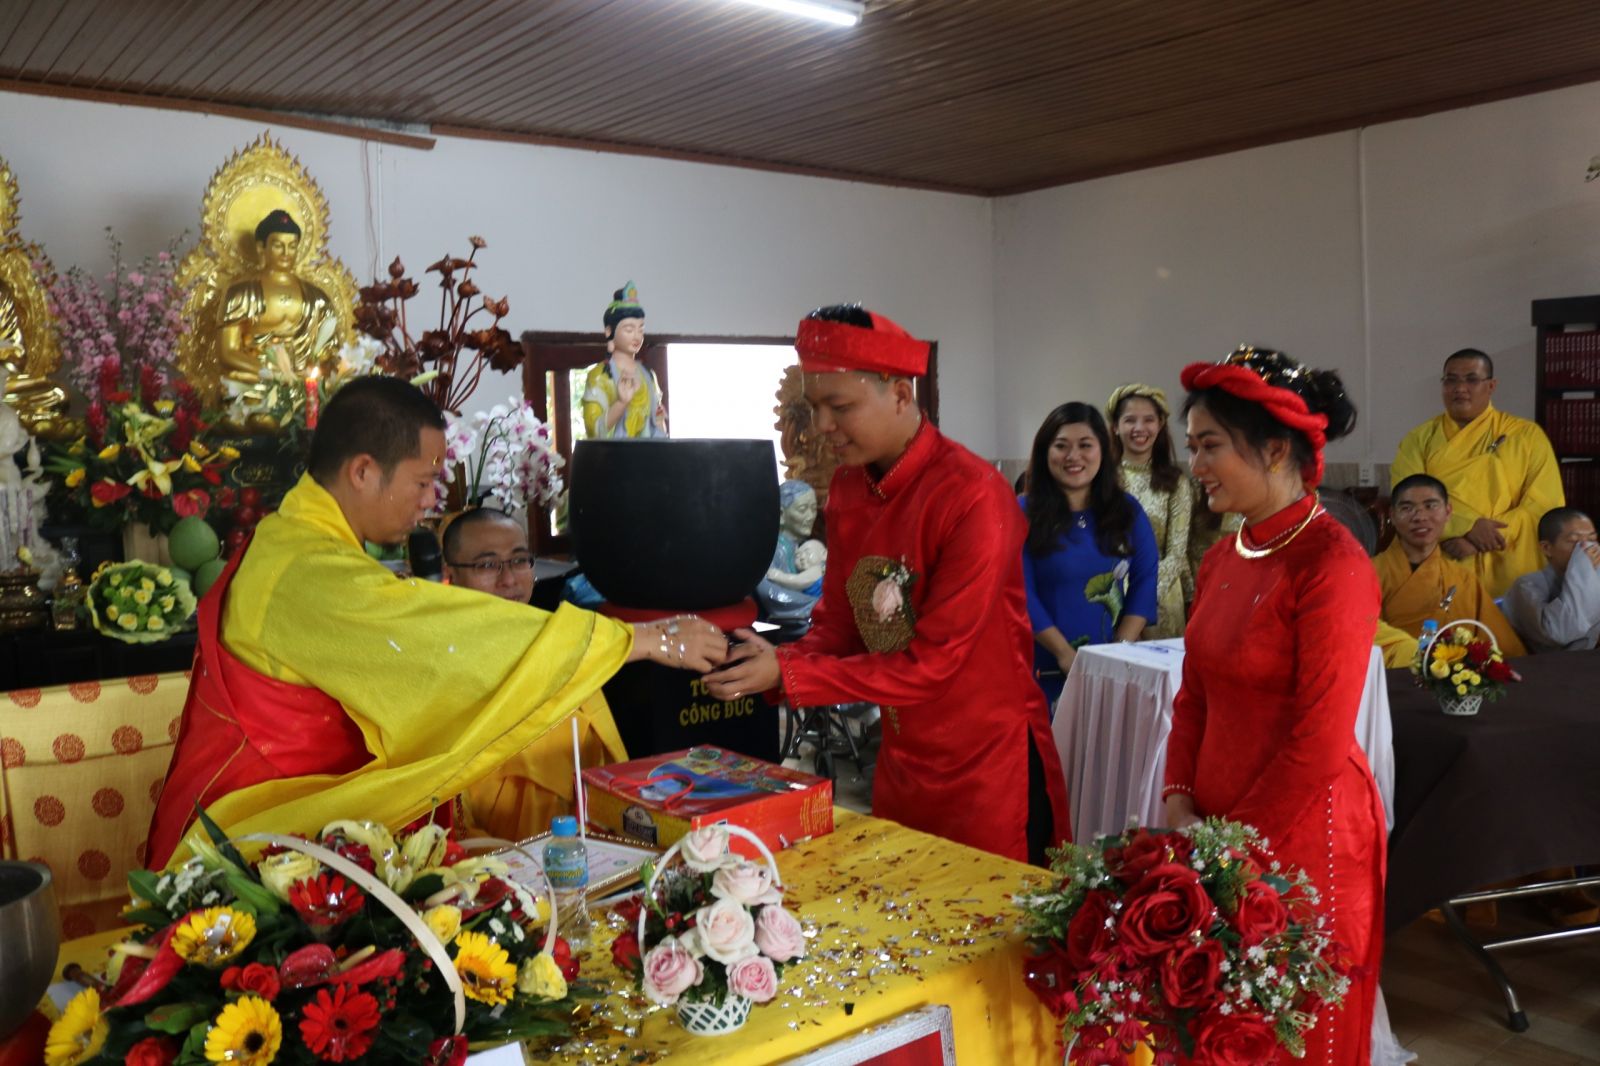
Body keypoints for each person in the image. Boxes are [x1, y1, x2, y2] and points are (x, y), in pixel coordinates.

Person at [148, 376, 726, 868]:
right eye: (422, 483)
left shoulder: (297, 538)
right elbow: (441, 636)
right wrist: (641, 639)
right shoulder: (305, 569)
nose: (430, 501)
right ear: (363, 472)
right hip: (255, 830)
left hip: (267, 809)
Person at [701, 304, 1069, 865]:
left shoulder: (973, 496)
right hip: (901, 759)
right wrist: (771, 661)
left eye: (840, 406)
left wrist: (792, 674)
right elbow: (840, 626)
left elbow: (933, 665)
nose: (822, 426)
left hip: (987, 766)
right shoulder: (850, 487)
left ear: (899, 394)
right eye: (814, 407)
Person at [1163, 345, 1383, 1066]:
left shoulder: (1332, 564)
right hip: (1214, 826)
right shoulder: (1224, 558)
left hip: (1305, 834)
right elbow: (1194, 693)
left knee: (1294, 1033)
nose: (1195, 465)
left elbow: (1318, 742)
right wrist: (1179, 800)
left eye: (1210, 446)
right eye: (1192, 446)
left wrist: (1229, 847)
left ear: (1276, 449)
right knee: (1217, 1025)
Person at [440, 506, 629, 837]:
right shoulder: (442, 660)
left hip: (585, 841)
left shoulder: (561, 640)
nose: (508, 579)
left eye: (518, 560)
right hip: (493, 851)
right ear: (450, 574)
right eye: (487, 565)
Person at [1391, 348, 1563, 598]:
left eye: (1471, 379)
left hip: (1507, 560)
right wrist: (1467, 527)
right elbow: (1406, 501)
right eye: (1451, 380)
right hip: (1443, 557)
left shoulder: (1526, 435)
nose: (1460, 388)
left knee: (1507, 622)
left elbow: (1544, 505)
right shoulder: (1418, 439)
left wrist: (1483, 537)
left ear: (1491, 386)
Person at [1021, 402, 1159, 705]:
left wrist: (1118, 651)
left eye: (1085, 445)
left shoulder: (1127, 511)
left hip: (1113, 668)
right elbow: (1019, 591)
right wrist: (1064, 654)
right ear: (1045, 452)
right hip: (1042, 668)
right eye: (1061, 446)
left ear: (1103, 451)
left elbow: (1146, 580)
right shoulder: (1021, 513)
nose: (1073, 456)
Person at [1373, 474, 1526, 667]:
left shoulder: (1463, 579)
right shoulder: (1369, 572)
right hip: (1391, 678)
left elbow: (1501, 645)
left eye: (1431, 506)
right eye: (1407, 508)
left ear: (1448, 512)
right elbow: (1362, 636)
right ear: (1392, 516)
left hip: (1456, 679)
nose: (1420, 517)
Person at [1107, 383, 1194, 637]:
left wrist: (1141, 593)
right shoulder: (1102, 480)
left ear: (1160, 425)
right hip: (1109, 595)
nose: (1139, 428)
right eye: (1129, 420)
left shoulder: (1176, 483)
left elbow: (1177, 553)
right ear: (1115, 427)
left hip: (1161, 600)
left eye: (1148, 420)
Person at [1503, 506, 1600, 652]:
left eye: (1592, 539)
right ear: (1547, 548)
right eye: (1575, 542)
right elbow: (1559, 632)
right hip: (1553, 664)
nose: (1588, 548)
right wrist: (1582, 569)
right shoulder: (1526, 586)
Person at [582, 281, 666, 439]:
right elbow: (594, 431)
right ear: (609, 331)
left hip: (649, 452)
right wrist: (621, 403)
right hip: (614, 454)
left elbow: (659, 426)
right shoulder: (600, 376)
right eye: (629, 329)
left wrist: (660, 421)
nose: (637, 336)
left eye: (641, 329)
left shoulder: (649, 375)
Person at [755, 479, 826, 626]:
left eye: (813, 509)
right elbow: (770, 593)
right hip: (790, 622)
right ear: (781, 514)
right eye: (802, 509)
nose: (810, 516)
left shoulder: (804, 547)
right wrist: (817, 605)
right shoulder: (770, 550)